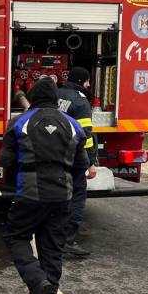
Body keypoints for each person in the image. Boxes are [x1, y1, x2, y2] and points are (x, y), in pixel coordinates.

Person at [0, 77, 92, 294]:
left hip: (29, 193)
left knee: (15, 236)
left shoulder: (19, 122)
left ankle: (38, 282)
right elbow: (81, 165)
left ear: (32, 97)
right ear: (55, 98)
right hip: (62, 196)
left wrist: (10, 188)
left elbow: (6, 161)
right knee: (52, 248)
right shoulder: (73, 125)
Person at [56, 67, 97, 258]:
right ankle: (67, 240)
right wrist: (90, 162)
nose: (89, 85)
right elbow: (86, 136)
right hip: (74, 157)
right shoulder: (81, 102)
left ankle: (51, 236)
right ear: (82, 81)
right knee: (77, 197)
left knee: (58, 196)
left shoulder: (56, 94)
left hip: (53, 155)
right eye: (88, 81)